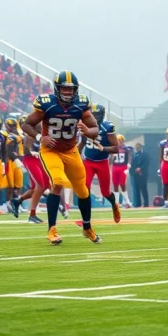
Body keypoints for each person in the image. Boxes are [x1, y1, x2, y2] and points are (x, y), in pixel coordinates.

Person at [22, 70, 102, 245]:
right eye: (64, 89)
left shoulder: (81, 105)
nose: (68, 93)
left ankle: (87, 228)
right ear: (57, 89)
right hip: (50, 151)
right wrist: (39, 137)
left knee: (82, 190)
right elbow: (26, 124)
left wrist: (88, 132)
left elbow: (95, 129)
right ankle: (52, 230)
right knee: (57, 182)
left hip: (70, 151)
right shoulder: (47, 104)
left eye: (70, 89)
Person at [80, 103, 121, 223]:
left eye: (97, 114)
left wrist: (104, 148)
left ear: (102, 115)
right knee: (84, 188)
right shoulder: (85, 125)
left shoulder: (107, 127)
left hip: (102, 162)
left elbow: (116, 148)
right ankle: (86, 219)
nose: (95, 117)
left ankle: (114, 205)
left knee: (105, 192)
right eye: (93, 115)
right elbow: (82, 143)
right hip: (88, 161)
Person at [12, 113, 51, 224]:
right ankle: (32, 214)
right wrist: (32, 152)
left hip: (39, 160)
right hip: (31, 160)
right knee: (41, 186)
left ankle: (18, 200)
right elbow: (26, 150)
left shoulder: (41, 129)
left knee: (41, 187)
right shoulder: (29, 135)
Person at [3, 117, 26, 216]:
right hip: (9, 161)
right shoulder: (7, 135)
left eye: (13, 125)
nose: (12, 127)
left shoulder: (19, 133)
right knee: (10, 185)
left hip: (18, 160)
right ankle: (8, 204)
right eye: (10, 125)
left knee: (19, 184)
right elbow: (7, 149)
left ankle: (18, 203)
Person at [111, 135, 133, 208]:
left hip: (123, 167)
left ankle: (127, 201)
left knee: (122, 184)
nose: (119, 142)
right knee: (115, 184)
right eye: (118, 140)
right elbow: (110, 161)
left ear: (123, 141)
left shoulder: (126, 149)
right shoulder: (113, 148)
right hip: (115, 167)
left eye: (121, 140)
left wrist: (129, 164)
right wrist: (112, 157)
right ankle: (117, 202)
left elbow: (130, 156)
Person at [131, 142, 149, 207]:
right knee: (136, 189)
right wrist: (134, 170)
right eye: (136, 147)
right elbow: (131, 164)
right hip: (134, 174)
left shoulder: (145, 154)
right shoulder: (133, 155)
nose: (137, 148)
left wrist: (140, 168)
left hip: (142, 174)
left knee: (143, 189)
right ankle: (137, 203)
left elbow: (146, 163)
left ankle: (146, 203)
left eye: (138, 147)